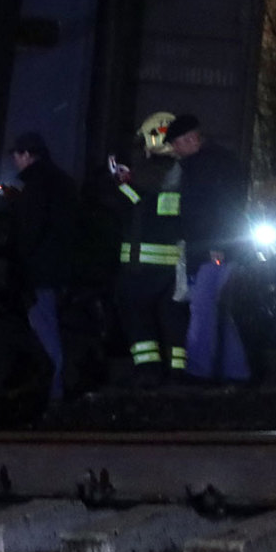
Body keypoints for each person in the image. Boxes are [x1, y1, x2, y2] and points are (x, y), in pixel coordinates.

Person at [167, 113, 251, 382]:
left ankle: (198, 371)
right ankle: (236, 372)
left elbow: (217, 208)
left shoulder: (207, 165)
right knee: (215, 310)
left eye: (177, 142)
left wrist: (215, 244)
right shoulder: (216, 162)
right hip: (214, 248)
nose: (174, 149)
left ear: (192, 139)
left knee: (203, 309)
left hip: (212, 250)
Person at [111, 112, 188, 383]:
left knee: (136, 315)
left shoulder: (145, 172)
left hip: (140, 266)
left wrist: (120, 185)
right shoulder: (185, 173)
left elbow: (136, 204)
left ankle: (148, 371)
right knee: (174, 318)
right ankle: (180, 372)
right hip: (176, 268)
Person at [8, 133, 78, 407]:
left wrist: (16, 259)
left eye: (16, 154)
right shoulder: (64, 184)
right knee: (52, 328)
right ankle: (54, 390)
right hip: (60, 270)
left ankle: (52, 394)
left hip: (39, 271)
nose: (14, 160)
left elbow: (30, 230)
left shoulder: (36, 186)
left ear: (27, 154)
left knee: (44, 330)